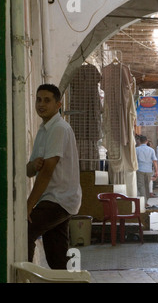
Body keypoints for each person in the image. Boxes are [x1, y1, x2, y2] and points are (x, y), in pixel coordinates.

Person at [27, 84, 82, 269]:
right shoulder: (44, 130)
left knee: (25, 231)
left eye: (47, 100)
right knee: (57, 258)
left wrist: (28, 205)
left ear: (58, 105)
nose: (41, 104)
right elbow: (29, 170)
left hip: (59, 199)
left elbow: (47, 171)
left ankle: (23, 277)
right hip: (54, 199)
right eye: (38, 99)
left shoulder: (59, 128)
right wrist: (34, 164)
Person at [135, 135, 158, 205]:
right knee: (147, 186)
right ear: (146, 141)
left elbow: (134, 160)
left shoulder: (136, 149)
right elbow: (154, 161)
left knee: (141, 186)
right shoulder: (151, 150)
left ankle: (144, 202)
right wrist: (156, 171)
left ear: (139, 141)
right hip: (148, 171)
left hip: (140, 170)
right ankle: (146, 201)